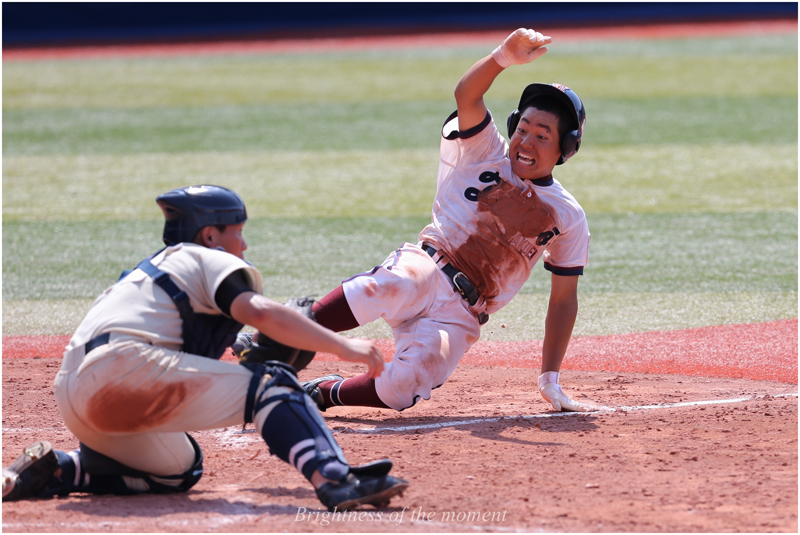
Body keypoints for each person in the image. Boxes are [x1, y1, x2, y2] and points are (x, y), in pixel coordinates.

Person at [2, 185, 408, 512]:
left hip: (75, 398)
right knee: (272, 384)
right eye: (238, 231)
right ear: (210, 234)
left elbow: (189, 342)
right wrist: (342, 345)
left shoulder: (147, 277)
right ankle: (336, 479)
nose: (243, 244)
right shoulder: (203, 257)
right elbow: (260, 312)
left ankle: (61, 469)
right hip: (123, 370)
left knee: (177, 469)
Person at [295, 28, 595, 413]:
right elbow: (467, 95)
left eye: (542, 135)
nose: (527, 142)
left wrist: (549, 378)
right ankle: (279, 340)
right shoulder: (484, 150)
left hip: (462, 314)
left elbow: (563, 300)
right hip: (428, 268)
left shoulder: (567, 215)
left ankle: (323, 394)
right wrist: (502, 56)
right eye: (523, 128)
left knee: (407, 386)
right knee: (388, 286)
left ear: (565, 147)